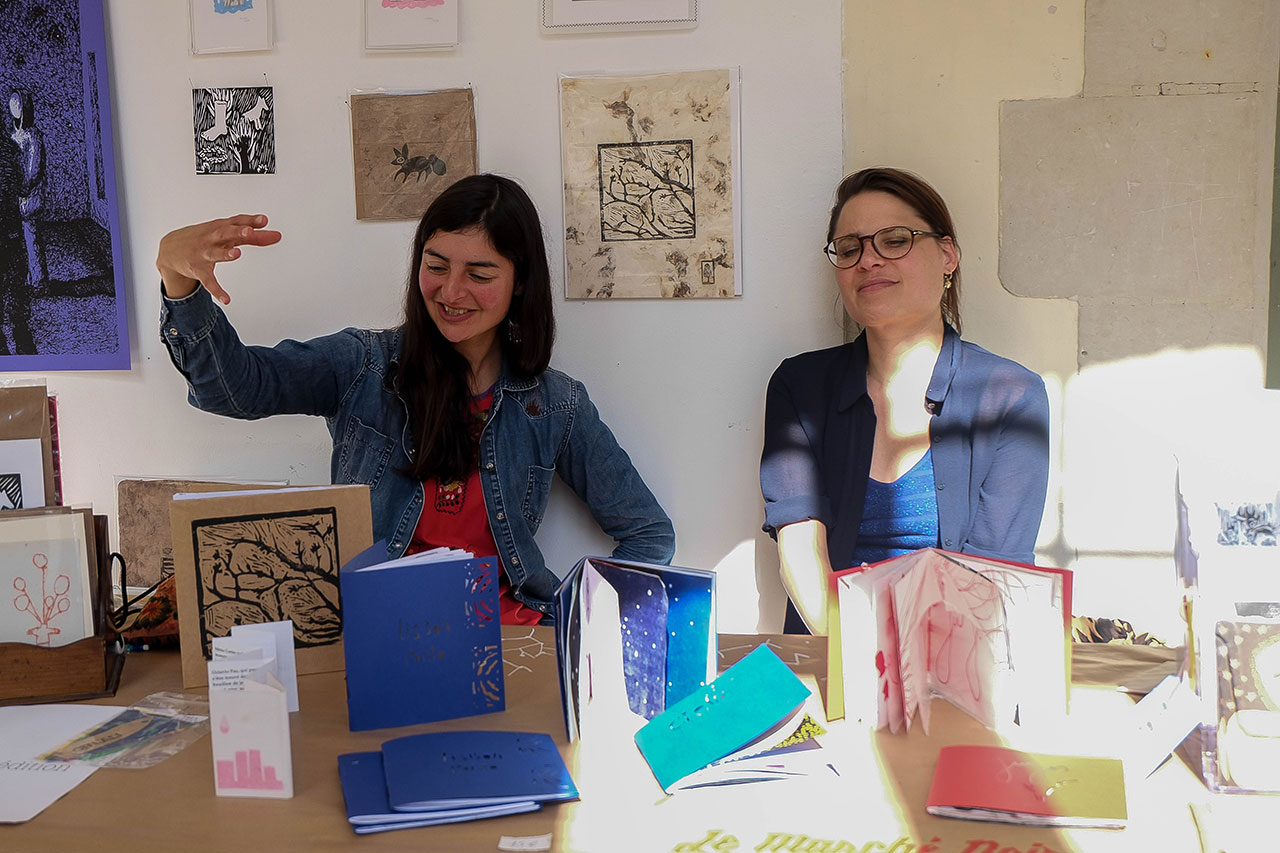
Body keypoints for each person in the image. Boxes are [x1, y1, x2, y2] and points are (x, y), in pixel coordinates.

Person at [158, 173, 676, 624]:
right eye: (437, 266)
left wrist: (584, 626)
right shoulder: (362, 365)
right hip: (382, 639)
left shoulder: (556, 405)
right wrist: (178, 280)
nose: (451, 292)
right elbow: (235, 390)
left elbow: (649, 534)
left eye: (479, 275)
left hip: (510, 642)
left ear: (520, 282)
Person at [760, 167, 1049, 634]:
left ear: (948, 255)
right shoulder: (799, 386)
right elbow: (799, 554)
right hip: (829, 653)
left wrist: (910, 670)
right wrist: (856, 659)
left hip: (956, 658)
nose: (868, 261)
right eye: (849, 249)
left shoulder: (1011, 396)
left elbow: (991, 578)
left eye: (895, 240)